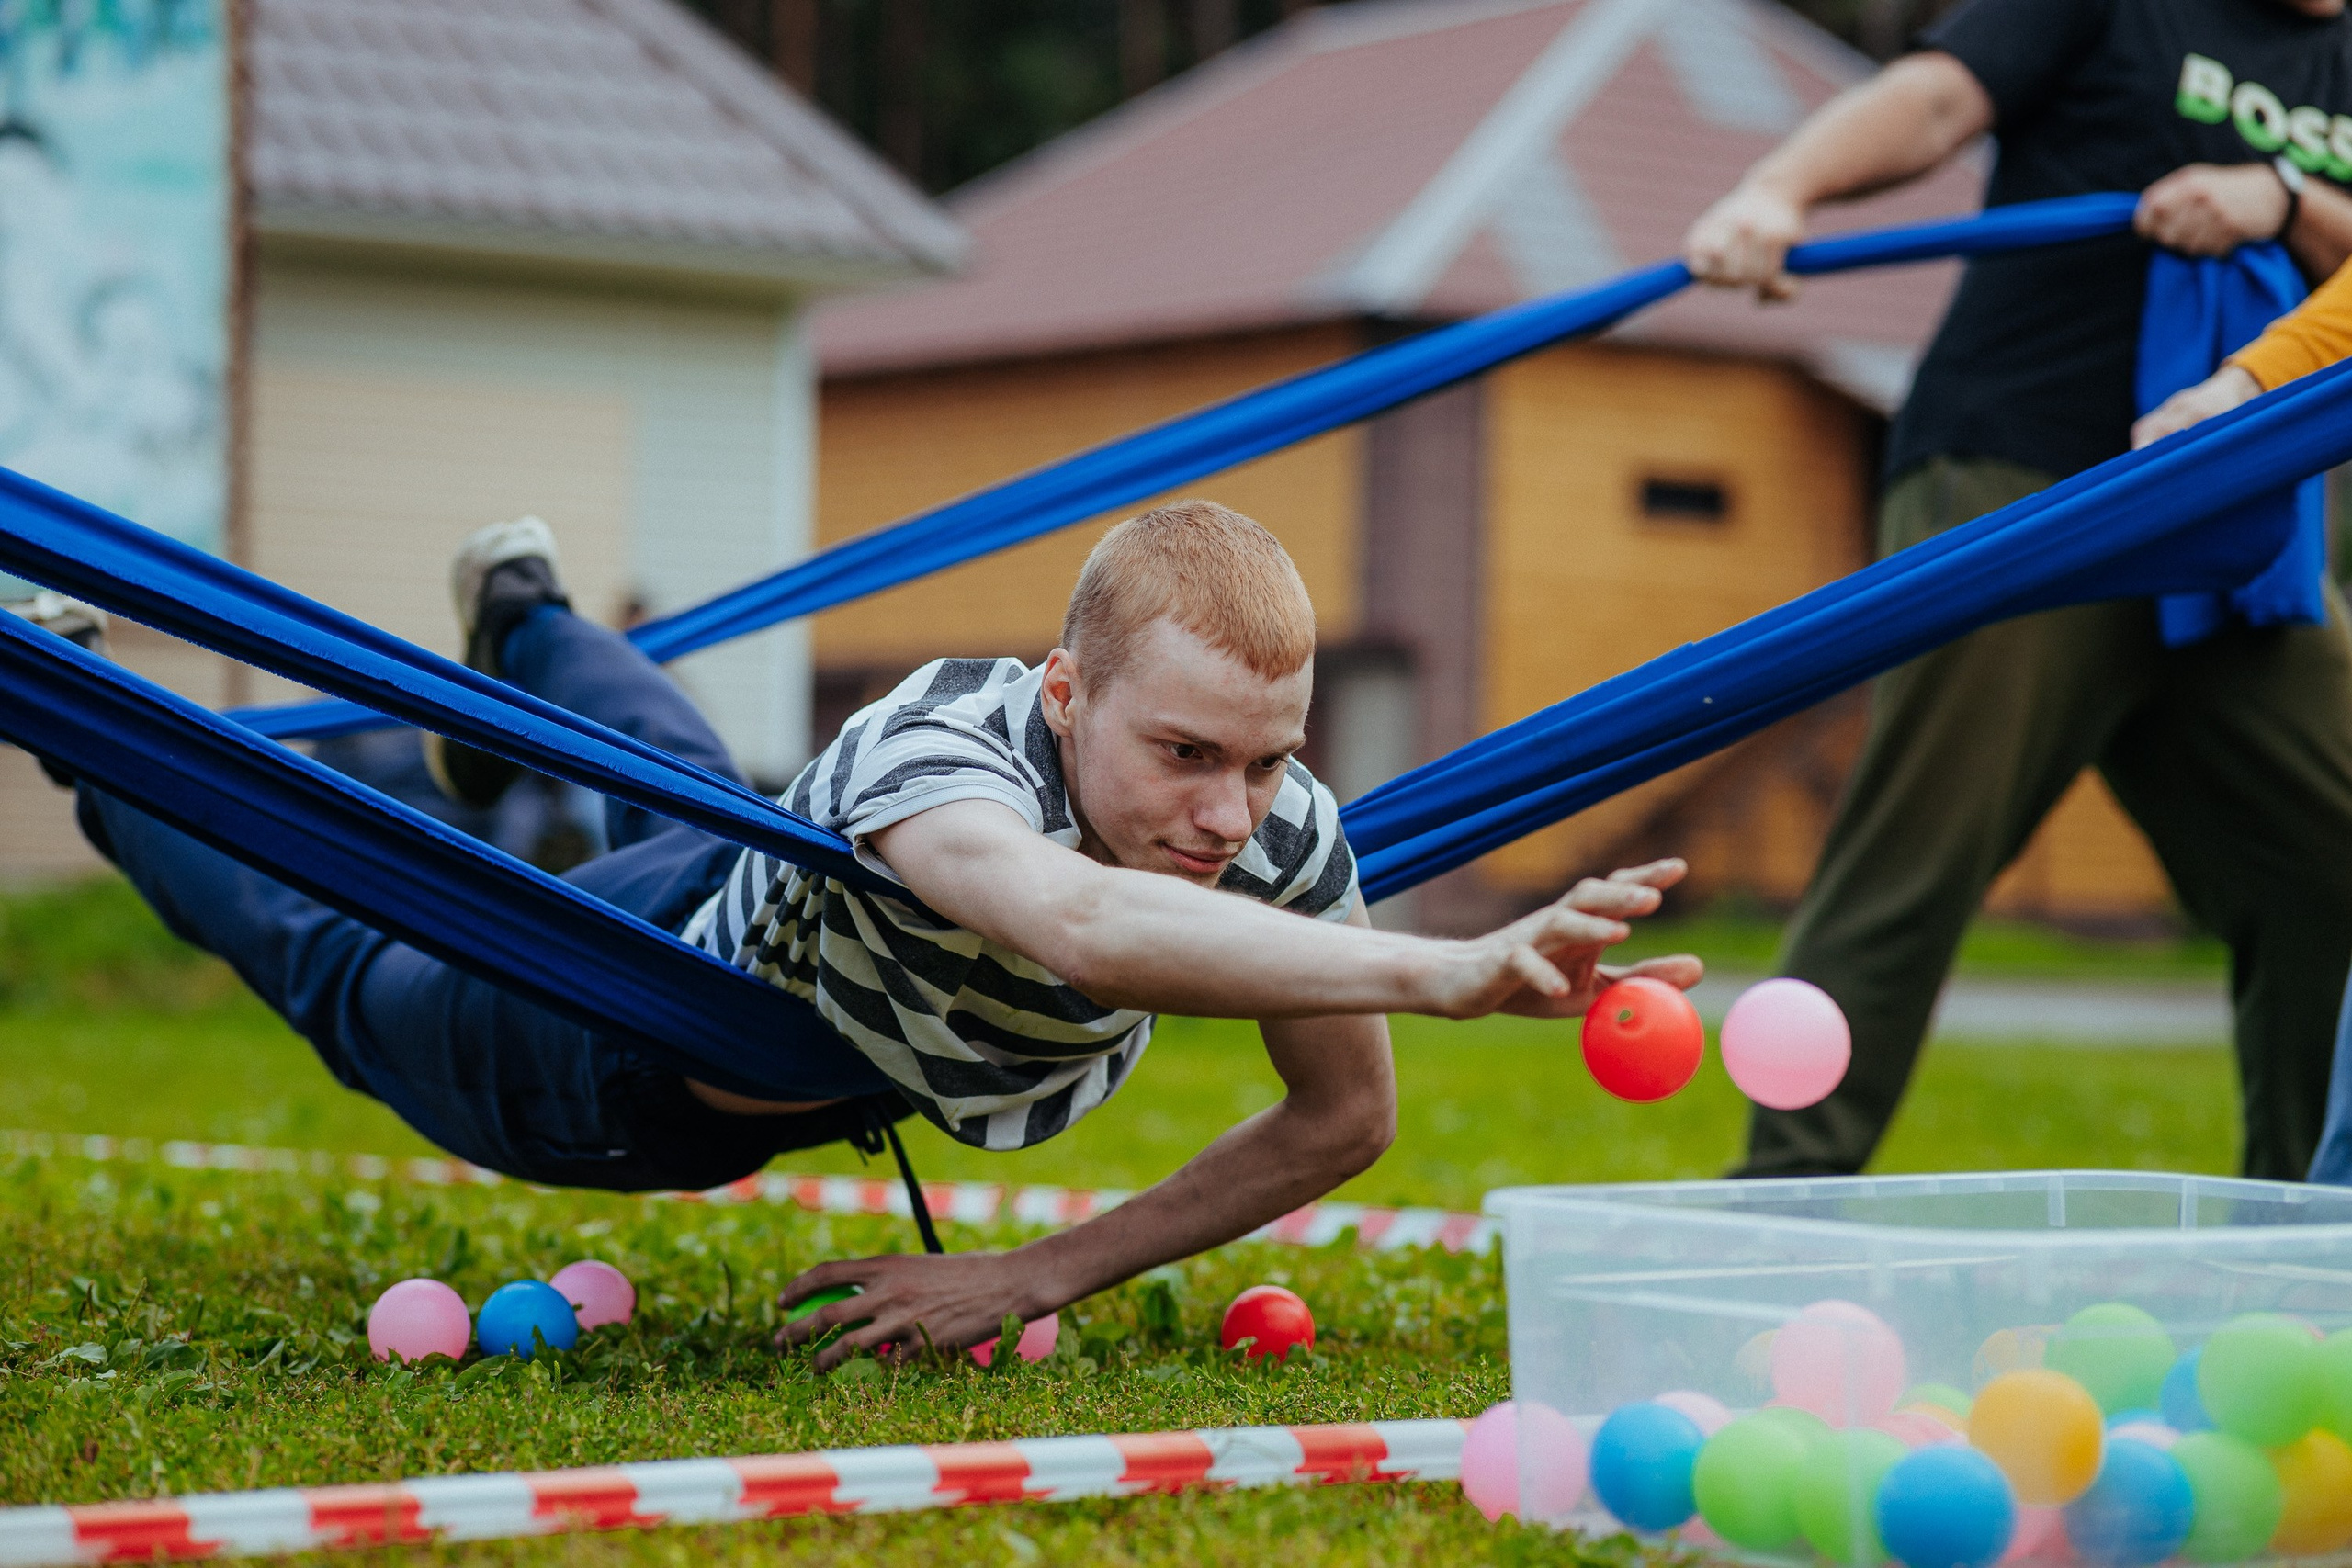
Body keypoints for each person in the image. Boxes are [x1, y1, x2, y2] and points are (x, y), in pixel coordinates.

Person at [35, 502, 1700, 1367]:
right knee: (337, 955)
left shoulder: (1278, 825)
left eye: (1267, 758)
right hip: (622, 1031)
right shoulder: (939, 745)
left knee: (683, 778)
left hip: (762, 926)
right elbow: (1075, 925)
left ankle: (525, 620)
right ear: (1064, 692)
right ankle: (88, 720)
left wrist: (1037, 1271)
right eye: (1185, 752)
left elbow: (1345, 1119)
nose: (1228, 814)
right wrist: (1445, 968)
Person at [1681, 0, 2352, 1180]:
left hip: (2236, 515)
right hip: (2022, 475)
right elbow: (1938, 96)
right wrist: (1777, 192)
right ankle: (1784, 1196)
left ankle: (2308, 1226)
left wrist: (2287, 199)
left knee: (2332, 856)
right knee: (1917, 852)